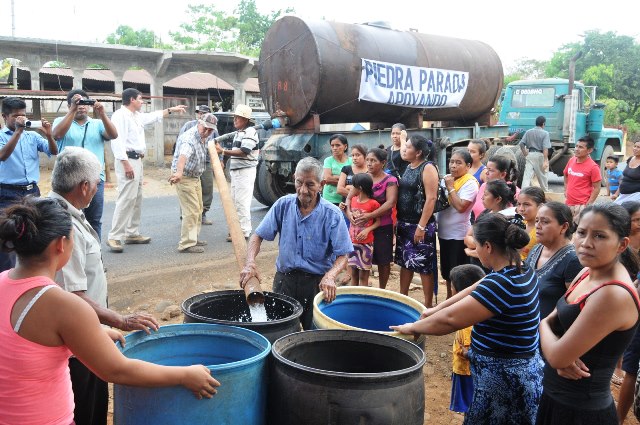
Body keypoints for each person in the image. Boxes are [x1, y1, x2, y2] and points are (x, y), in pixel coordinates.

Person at [0, 197, 219, 425]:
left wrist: (95, 333)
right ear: (60, 245)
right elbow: (116, 370)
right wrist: (185, 375)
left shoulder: (3, 282)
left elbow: (25, 345)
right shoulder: (64, 306)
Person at [392, 213, 542, 425]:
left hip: (504, 379)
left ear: (488, 246)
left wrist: (415, 326)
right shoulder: (520, 269)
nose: (476, 251)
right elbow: (478, 286)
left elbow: (451, 321)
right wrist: (434, 310)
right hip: (519, 371)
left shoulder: (502, 285)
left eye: (477, 245)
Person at [49, 147, 163, 425]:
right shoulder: (64, 225)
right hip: (77, 346)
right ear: (84, 186)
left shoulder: (62, 211)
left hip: (86, 332)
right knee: (87, 410)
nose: (99, 187)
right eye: (98, 182)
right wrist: (121, 320)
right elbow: (74, 296)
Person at [537, 203, 640, 425]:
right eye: (582, 232)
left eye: (600, 236)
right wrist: (549, 329)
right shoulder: (586, 272)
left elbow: (556, 355)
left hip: (581, 412)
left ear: (622, 244)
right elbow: (552, 326)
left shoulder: (612, 294)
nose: (585, 243)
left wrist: (543, 326)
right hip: (556, 399)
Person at [240, 157, 353, 330]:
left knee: (315, 336)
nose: (303, 190)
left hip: (317, 284)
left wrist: (330, 276)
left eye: (310, 184)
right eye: (299, 183)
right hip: (285, 282)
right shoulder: (282, 205)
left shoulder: (333, 214)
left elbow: (343, 254)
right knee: (280, 333)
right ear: (294, 178)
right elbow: (257, 236)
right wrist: (250, 263)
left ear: (321, 184)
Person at [106, 88, 187, 253]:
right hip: (127, 160)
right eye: (140, 99)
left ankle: (131, 233)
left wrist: (171, 110)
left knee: (136, 198)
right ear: (131, 100)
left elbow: (153, 116)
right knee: (126, 198)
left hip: (137, 160)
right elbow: (117, 141)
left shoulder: (136, 116)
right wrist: (125, 164)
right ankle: (114, 236)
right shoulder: (119, 116)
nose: (142, 102)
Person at [0, 96, 57, 272]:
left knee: (32, 233)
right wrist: (17, 132)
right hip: (7, 192)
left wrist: (48, 134)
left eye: (23, 115)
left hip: (32, 191)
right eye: (16, 116)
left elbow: (53, 151)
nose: (21, 119)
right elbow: (2, 156)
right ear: (4, 116)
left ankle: (29, 274)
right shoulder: (2, 136)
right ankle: (6, 278)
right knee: (7, 238)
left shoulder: (32, 136)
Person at [52, 89, 118, 240]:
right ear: (69, 105)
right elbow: (56, 135)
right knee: (66, 221)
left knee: (94, 220)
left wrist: (102, 114)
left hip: (94, 180)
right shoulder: (61, 121)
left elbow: (113, 135)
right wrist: (72, 111)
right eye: (77, 103)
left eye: (84, 103)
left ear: (89, 106)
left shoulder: (98, 123)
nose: (81, 107)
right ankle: (71, 259)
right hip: (67, 180)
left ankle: (95, 259)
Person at [394, 135, 440, 307]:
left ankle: (428, 305)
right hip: (404, 223)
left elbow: (431, 198)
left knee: (423, 265)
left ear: (419, 152)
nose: (404, 149)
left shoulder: (427, 168)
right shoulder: (410, 166)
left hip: (420, 225)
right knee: (405, 262)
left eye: (408, 146)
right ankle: (403, 299)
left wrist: (421, 226)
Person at [348, 148, 398, 289]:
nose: (369, 163)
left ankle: (382, 290)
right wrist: (349, 213)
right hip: (360, 228)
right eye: (368, 160)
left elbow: (390, 203)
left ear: (382, 163)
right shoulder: (363, 178)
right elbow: (349, 198)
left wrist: (369, 216)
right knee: (359, 262)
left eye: (373, 160)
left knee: (383, 260)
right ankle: (357, 290)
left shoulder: (390, 180)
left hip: (382, 226)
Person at [169, 113, 218, 253]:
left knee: (198, 209)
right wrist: (178, 173)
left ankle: (193, 238)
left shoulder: (204, 136)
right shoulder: (189, 138)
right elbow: (183, 156)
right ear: (199, 123)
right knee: (191, 210)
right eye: (206, 128)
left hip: (194, 177)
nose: (208, 132)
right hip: (184, 177)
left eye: (211, 130)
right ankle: (186, 243)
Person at [524, 202, 582, 319]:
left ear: (564, 227)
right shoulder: (536, 249)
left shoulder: (572, 260)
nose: (538, 226)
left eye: (545, 222)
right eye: (536, 221)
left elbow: (573, 306)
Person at [437, 149, 479, 299]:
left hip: (458, 235)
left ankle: (457, 300)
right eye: (451, 162)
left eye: (458, 163)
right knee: (447, 271)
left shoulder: (470, 183)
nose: (453, 166)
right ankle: (449, 297)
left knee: (457, 271)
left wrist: (450, 187)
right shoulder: (447, 179)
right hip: (444, 233)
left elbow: (461, 207)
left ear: (468, 166)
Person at [216, 104, 259, 240]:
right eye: (235, 117)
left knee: (242, 203)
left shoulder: (250, 132)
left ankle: (244, 231)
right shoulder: (239, 133)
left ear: (245, 119)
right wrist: (223, 156)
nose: (235, 120)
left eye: (238, 117)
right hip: (236, 172)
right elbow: (235, 151)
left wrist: (222, 151)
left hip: (245, 171)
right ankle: (236, 230)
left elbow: (244, 151)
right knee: (235, 202)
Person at [448, 264, 486, 416]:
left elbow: (469, 351)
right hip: (468, 371)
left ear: (459, 292)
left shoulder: (466, 317)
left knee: (470, 406)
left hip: (466, 372)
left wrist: (462, 353)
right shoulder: (477, 310)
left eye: (451, 288)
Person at [616, 201, 640, 423]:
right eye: (637, 219)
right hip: (633, 312)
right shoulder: (620, 247)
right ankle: (619, 418)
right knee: (631, 370)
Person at [176, 105, 218, 225]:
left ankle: (202, 214)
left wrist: (219, 159)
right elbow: (183, 149)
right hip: (189, 165)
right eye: (200, 113)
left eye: (204, 113)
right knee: (188, 195)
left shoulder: (212, 128)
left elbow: (216, 144)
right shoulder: (189, 127)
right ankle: (185, 215)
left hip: (205, 162)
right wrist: (179, 171)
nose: (201, 114)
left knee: (207, 188)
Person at [345, 173, 380, 286]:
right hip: (352, 242)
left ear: (359, 188)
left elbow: (378, 222)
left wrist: (367, 230)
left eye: (353, 186)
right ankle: (353, 297)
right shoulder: (353, 200)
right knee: (353, 274)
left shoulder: (373, 204)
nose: (351, 188)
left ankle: (362, 298)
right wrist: (345, 210)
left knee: (364, 276)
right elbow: (351, 219)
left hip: (366, 244)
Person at [563, 135, 602, 224]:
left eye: (580, 147)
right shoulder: (572, 160)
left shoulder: (593, 167)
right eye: (576, 146)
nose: (576, 149)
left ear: (589, 150)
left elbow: (597, 188)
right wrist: (565, 189)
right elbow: (565, 174)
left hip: (581, 206)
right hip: (568, 204)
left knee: (578, 231)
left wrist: (588, 205)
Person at [471, 154, 519, 223]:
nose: (486, 173)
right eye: (486, 169)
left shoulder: (514, 191)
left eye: (490, 170)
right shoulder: (484, 186)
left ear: (503, 174)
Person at [520, 115, 551, 191]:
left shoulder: (528, 132)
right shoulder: (545, 133)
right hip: (539, 156)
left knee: (527, 176)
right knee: (542, 177)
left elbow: (521, 144)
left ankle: (523, 193)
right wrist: (545, 160)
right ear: (543, 124)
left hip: (530, 155)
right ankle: (545, 193)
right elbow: (545, 148)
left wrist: (525, 153)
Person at [322, 134, 352, 206]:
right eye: (332, 145)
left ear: (345, 146)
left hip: (347, 198)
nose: (334, 148)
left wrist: (335, 177)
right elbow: (327, 179)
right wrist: (345, 180)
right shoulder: (328, 160)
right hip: (329, 198)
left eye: (338, 145)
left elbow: (355, 181)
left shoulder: (351, 161)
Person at [517, 186, 546, 260]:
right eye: (519, 204)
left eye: (526, 204)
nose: (521, 209)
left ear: (540, 206)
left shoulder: (542, 231)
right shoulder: (518, 224)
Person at [614, 140, 640, 205]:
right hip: (623, 195)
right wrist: (616, 194)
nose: (635, 149)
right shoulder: (631, 159)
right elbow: (624, 179)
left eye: (638, 147)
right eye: (635, 146)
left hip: (636, 196)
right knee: (612, 211)